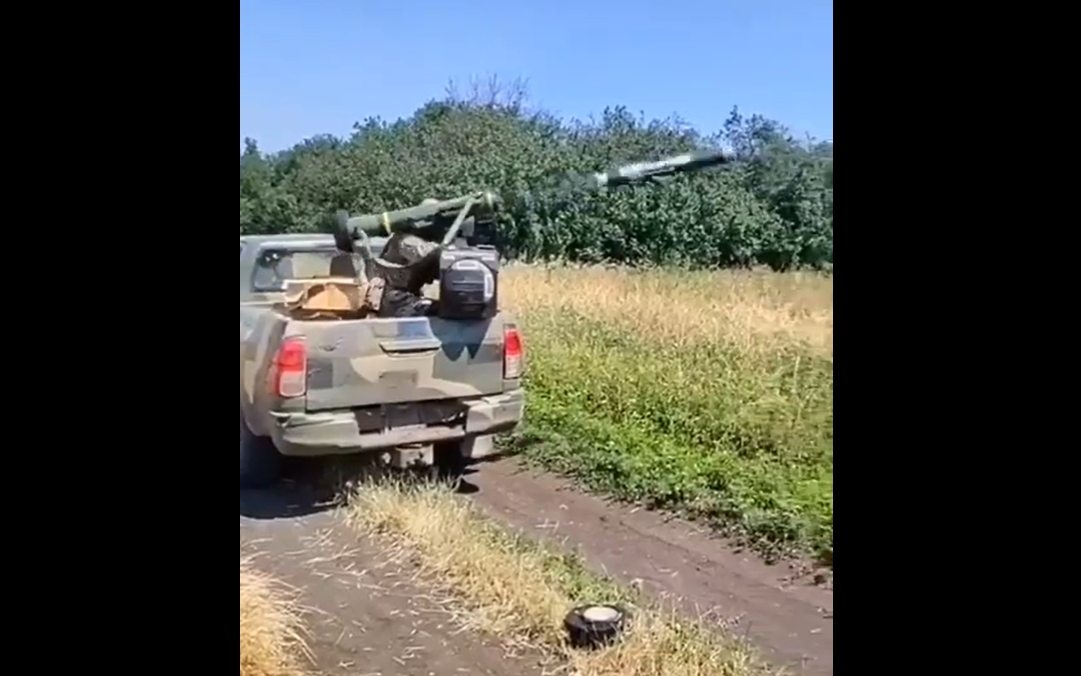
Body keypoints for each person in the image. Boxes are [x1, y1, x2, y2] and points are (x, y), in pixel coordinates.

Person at [367, 198, 443, 318]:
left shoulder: (409, 238)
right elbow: (434, 256)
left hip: (402, 297)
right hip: (395, 300)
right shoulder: (406, 241)